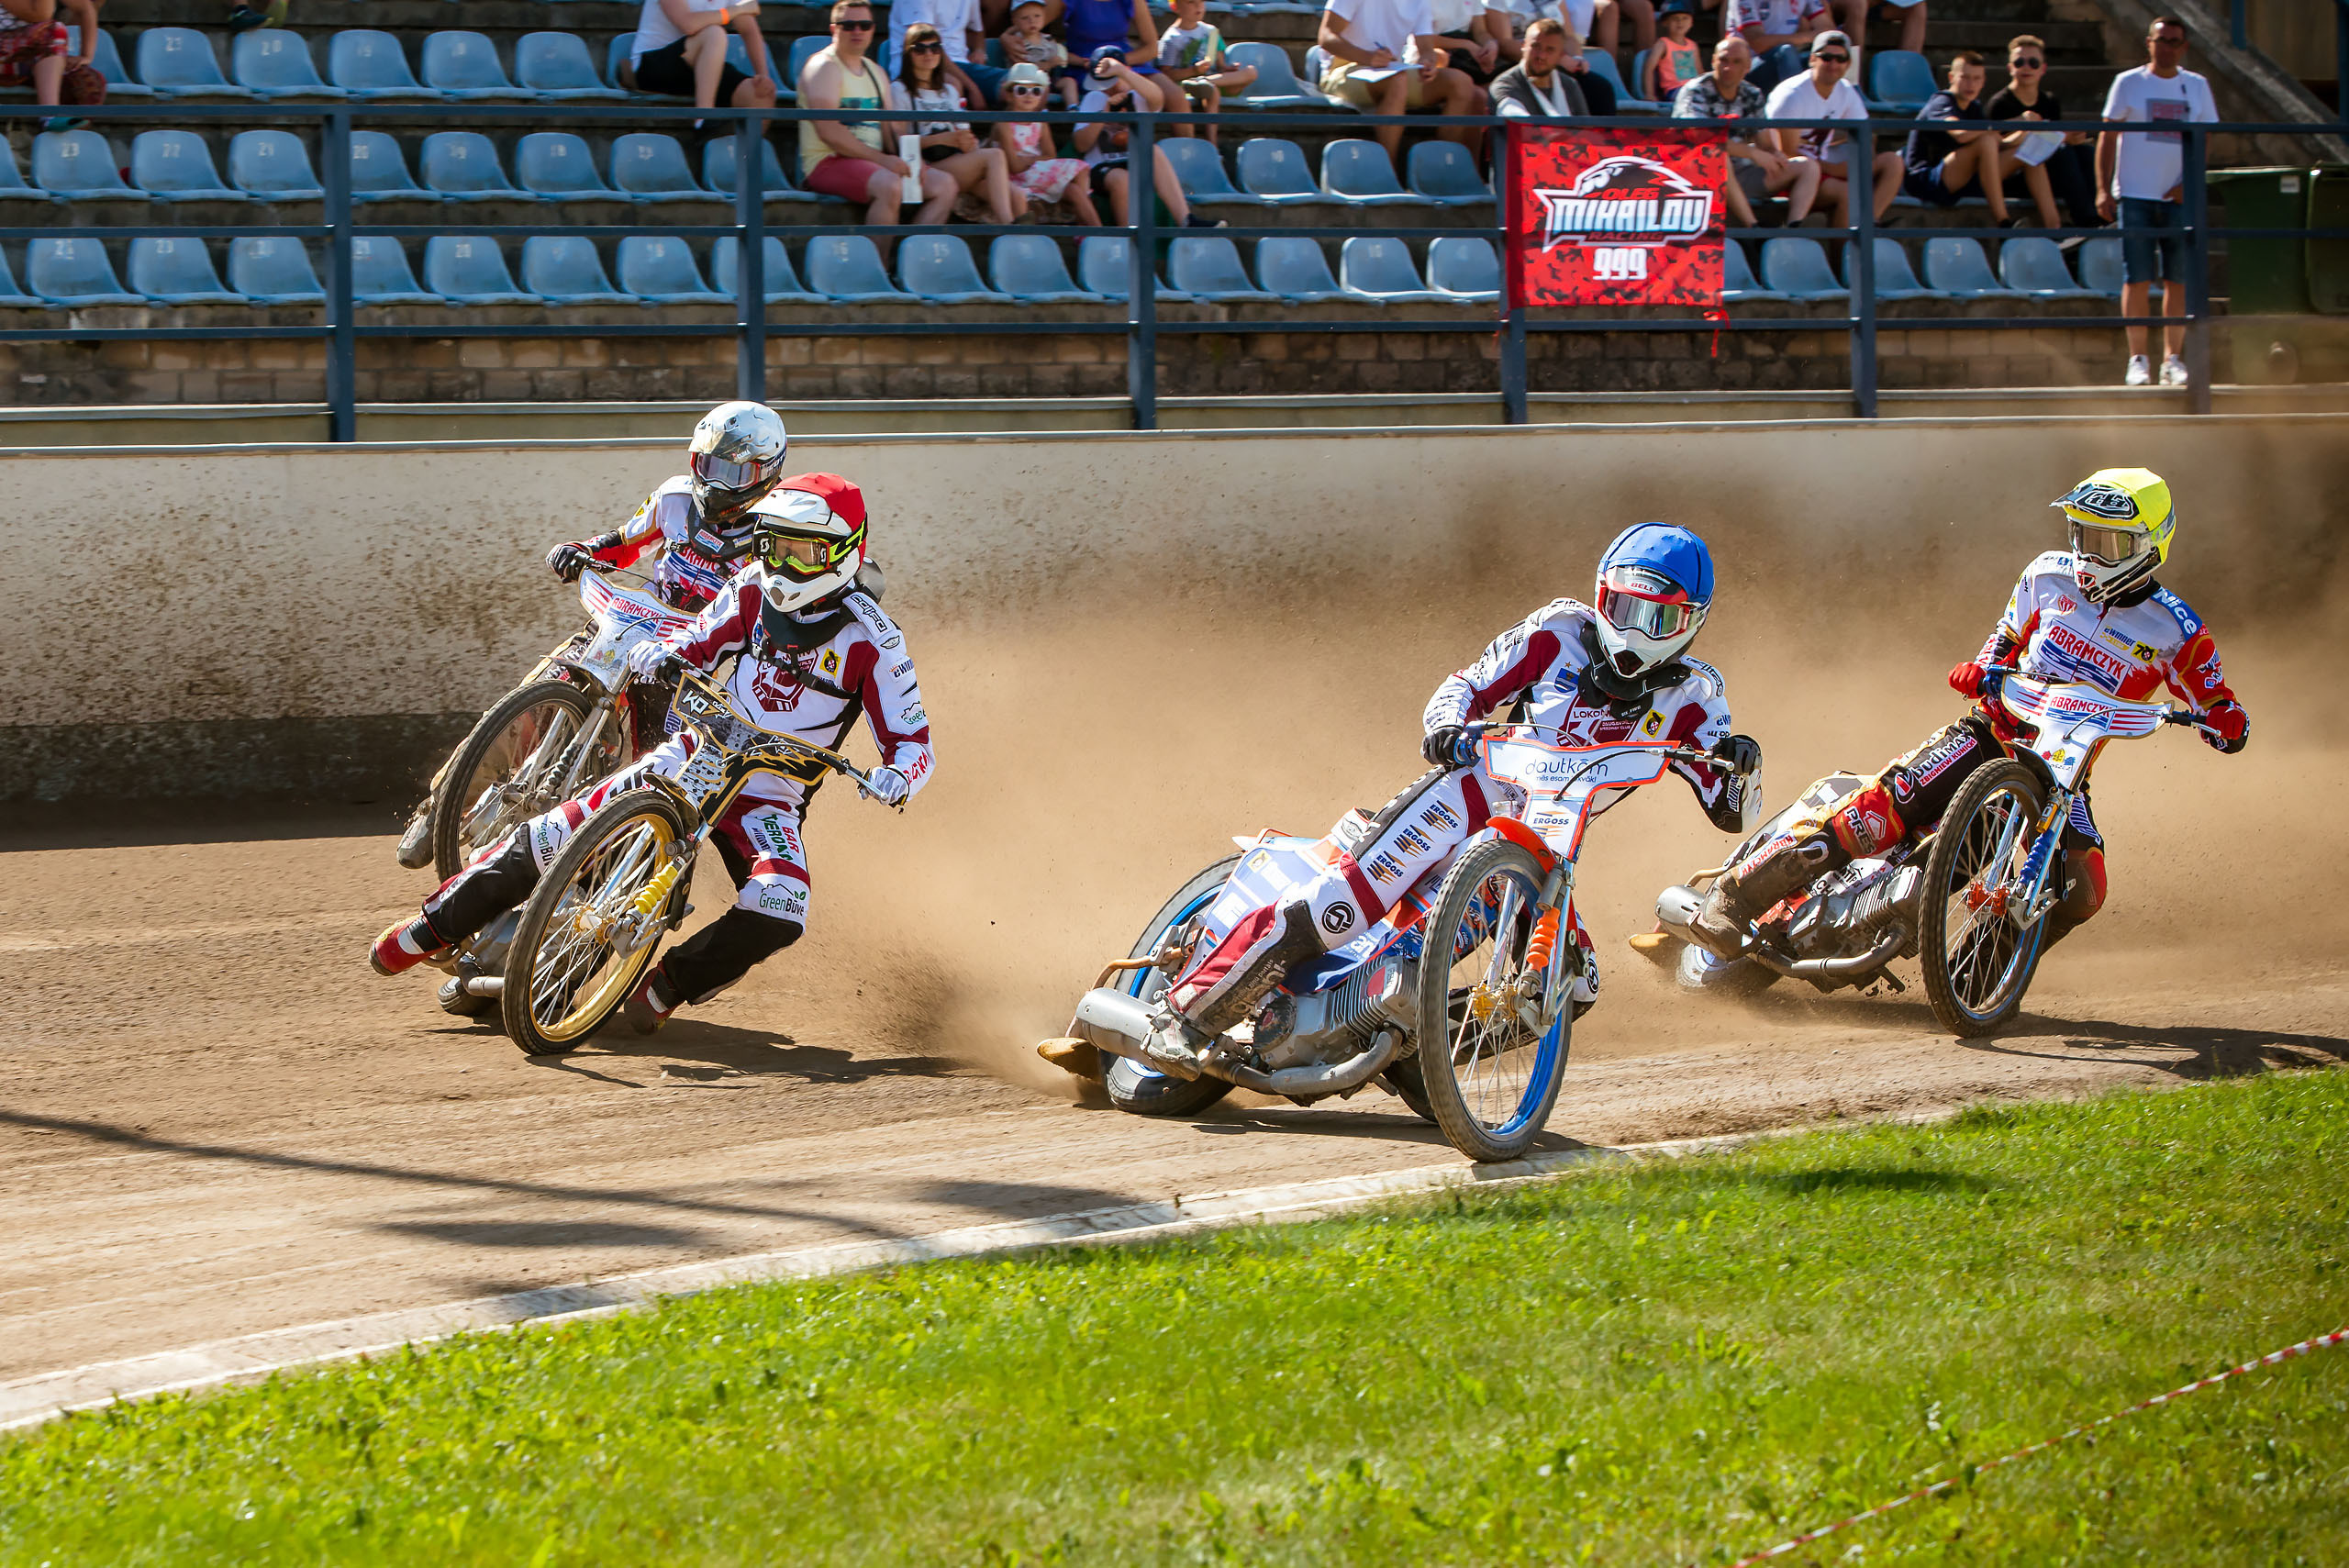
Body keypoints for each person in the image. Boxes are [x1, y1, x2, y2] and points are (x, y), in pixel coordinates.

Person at [1134, 524, 1765, 1081]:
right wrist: (1448, 725)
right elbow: (1467, 683)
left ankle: (1423, 1058)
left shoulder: (1698, 696)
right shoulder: (1558, 630)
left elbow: (1727, 806)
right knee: (1337, 908)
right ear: (1600, 596)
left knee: (1571, 986)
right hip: (1469, 793)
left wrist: (1740, 764)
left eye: (1656, 619)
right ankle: (1181, 1017)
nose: (1632, 631)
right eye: (1621, 607)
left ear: (1691, 624)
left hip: (1543, 844)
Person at [372, 474, 936, 1037]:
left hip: (770, 794)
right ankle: (431, 928)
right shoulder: (748, 590)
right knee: (557, 833)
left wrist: (896, 778)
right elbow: (695, 642)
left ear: (844, 551)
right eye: (773, 546)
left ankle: (667, 984)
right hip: (695, 753)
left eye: (801, 552)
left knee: (783, 906)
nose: (782, 566)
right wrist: (662, 652)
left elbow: (914, 747)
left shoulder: (877, 642)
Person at [1687, 468, 2246, 962]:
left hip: (2064, 773)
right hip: (1989, 733)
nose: (2087, 555)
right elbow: (2002, 641)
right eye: (2081, 535)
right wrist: (1981, 671)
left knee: (2082, 889)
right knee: (1875, 816)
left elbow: (2219, 706)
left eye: (2106, 542)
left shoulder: (2177, 630)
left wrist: (2226, 722)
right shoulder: (2047, 575)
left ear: (2149, 547)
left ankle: (1978, 970)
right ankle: (1739, 896)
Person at [543, 401, 793, 615]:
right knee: (562, 666)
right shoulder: (675, 497)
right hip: (641, 623)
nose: (715, 483)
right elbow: (626, 543)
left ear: (768, 470)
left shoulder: (783, 530)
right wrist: (581, 550)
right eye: (709, 466)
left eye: (732, 473)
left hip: (712, 656)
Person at [2098, 16, 2214, 389]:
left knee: (2177, 280)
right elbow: (2107, 136)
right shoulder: (2128, 83)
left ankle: (2172, 359)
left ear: (2184, 47)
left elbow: (2204, 140)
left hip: (2176, 197)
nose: (2165, 47)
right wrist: (2103, 188)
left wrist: (2189, 183)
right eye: (2159, 40)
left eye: (2173, 41)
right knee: (2137, 278)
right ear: (2148, 42)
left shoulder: (2197, 86)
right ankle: (2137, 359)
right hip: (2135, 194)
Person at [798, 0, 963, 233]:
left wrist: (911, 160)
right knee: (890, 185)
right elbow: (829, 132)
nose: (857, 31)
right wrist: (882, 160)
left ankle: (911, 256)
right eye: (849, 25)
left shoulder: (876, 72)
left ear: (872, 30)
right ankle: (879, 266)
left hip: (871, 162)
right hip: (827, 162)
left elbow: (892, 129)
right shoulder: (823, 66)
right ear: (834, 29)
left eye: (864, 25)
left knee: (945, 185)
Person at [1674, 34, 1821, 227]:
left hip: (1741, 173)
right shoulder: (1695, 91)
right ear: (1712, 61)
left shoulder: (1752, 94)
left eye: (1737, 62)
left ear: (1748, 67)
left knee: (1807, 166)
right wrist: (1752, 152)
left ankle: (1793, 230)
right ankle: (1753, 227)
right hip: (1693, 175)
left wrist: (1775, 154)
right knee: (1718, 155)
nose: (1728, 67)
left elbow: (1764, 142)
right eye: (1723, 60)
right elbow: (1698, 136)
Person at [1317, 0, 1486, 161]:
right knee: (1397, 80)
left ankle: (1442, 165)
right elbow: (1325, 36)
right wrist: (1367, 58)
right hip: (1340, 70)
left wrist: (1429, 62)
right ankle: (1388, 171)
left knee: (1461, 82)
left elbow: (1426, 48)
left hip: (1390, 70)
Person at [894, 21, 1025, 225]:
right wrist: (943, 139)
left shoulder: (950, 91)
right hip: (924, 164)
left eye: (935, 48)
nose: (929, 53)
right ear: (908, 54)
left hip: (956, 161)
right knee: (995, 155)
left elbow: (965, 134)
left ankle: (1018, 249)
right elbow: (899, 142)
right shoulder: (899, 90)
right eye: (920, 49)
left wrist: (967, 142)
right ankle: (1008, 226)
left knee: (1017, 196)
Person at [1074, 52, 1226, 227]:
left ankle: (1186, 220)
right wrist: (1103, 114)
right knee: (1122, 180)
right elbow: (1081, 144)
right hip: (1102, 167)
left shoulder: (1139, 95)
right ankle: (1131, 240)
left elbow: (1157, 97)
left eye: (1111, 81)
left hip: (1133, 160)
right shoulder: (1094, 98)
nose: (1107, 89)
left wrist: (1122, 72)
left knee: (1152, 150)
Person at [1766, 31, 1898, 226]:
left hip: (1823, 166)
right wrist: (1837, 170)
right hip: (1794, 174)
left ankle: (1868, 225)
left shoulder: (1845, 90)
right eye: (1826, 58)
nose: (1834, 65)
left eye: (1840, 59)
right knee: (1846, 192)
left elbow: (1866, 137)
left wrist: (1852, 164)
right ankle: (1845, 255)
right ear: (1812, 59)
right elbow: (1788, 156)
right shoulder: (1792, 95)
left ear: (1848, 64)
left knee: (1892, 162)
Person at [1984, 33, 2096, 229]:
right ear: (2010, 68)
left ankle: (2099, 216)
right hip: (2016, 175)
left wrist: (2069, 138)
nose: (2026, 67)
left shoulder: (2049, 101)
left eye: (2033, 62)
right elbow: (1994, 150)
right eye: (2019, 62)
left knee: (2085, 152)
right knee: (2063, 153)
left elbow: (2053, 139)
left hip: (2047, 170)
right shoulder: (1998, 104)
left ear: (2042, 69)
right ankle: (2085, 220)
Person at [1900, 50, 2013, 225]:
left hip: (1961, 179)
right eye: (1965, 77)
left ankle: (2054, 228)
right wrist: (2010, 123)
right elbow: (1961, 135)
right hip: (1926, 181)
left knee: (2027, 152)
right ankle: (2003, 222)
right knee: (1986, 140)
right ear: (1951, 77)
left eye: (1976, 79)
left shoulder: (1974, 107)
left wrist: (2026, 129)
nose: (1971, 84)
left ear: (1983, 82)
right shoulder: (1941, 101)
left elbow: (1999, 142)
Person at [629, 0, 779, 126]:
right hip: (653, 65)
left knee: (760, 96)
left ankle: (738, 158)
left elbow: (749, 31)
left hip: (700, 68)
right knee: (714, 33)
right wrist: (733, 11)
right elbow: (688, 24)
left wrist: (763, 76)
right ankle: (704, 117)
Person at [994, 61, 1101, 218]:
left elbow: (1051, 155)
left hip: (1037, 171)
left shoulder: (1040, 122)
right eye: (1022, 90)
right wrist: (1035, 160)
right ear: (1009, 95)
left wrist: (1029, 159)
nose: (1029, 96)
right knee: (1080, 166)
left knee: (1077, 188)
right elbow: (1014, 166)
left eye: (1036, 91)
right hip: (1017, 178)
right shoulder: (1003, 124)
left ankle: (1096, 236)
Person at [1157, 0, 1256, 137]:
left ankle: (1204, 80)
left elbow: (1221, 66)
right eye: (1190, 2)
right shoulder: (1171, 39)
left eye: (1201, 2)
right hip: (1186, 85)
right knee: (1212, 91)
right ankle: (1213, 144)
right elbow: (1165, 75)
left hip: (1211, 79)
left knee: (1251, 72)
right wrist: (1194, 71)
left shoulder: (1211, 31)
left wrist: (1228, 69)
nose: (1198, 7)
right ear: (1175, 7)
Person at [1058, 0, 1176, 112]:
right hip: (1086, 66)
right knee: (1115, 91)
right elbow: (1039, 24)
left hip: (1125, 61)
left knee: (1174, 94)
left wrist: (1118, 63)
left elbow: (1151, 49)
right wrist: (1078, 61)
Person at [888, 0, 1006, 106]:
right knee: (953, 85)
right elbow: (928, 47)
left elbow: (975, 29)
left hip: (963, 66)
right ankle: (957, 129)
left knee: (1013, 85)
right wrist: (972, 88)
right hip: (923, 64)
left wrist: (979, 50)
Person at [0, 0, 106, 109]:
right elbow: (41, 15)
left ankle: (53, 119)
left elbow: (85, 8)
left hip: (29, 61)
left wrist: (86, 56)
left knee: (87, 81)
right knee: (52, 29)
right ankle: (49, 111)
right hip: (5, 58)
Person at [1721, 0, 1826, 94]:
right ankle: (1797, 106)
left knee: (1826, 58)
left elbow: (1827, 31)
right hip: (1747, 66)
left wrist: (1809, 37)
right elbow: (1759, 43)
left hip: (1787, 60)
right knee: (1786, 53)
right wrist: (1809, 37)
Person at [1490, 17, 1586, 117]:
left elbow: (1586, 129)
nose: (1541, 56)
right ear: (1523, 45)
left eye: (1550, 50)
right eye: (1536, 46)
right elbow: (1520, 123)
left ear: (1561, 55)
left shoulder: (1569, 85)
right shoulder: (1505, 85)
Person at [998, 0, 1074, 107]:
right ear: (1015, 21)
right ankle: (1040, 113)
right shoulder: (1016, 42)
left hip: (1050, 79)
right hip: (1026, 83)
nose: (1032, 21)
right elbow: (1025, 69)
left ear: (1044, 17)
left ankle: (1073, 108)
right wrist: (1049, 64)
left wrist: (1082, 61)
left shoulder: (1048, 39)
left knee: (1069, 82)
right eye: (1025, 18)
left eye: (1037, 16)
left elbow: (1064, 57)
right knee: (1042, 84)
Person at [1642, 0, 1702, 103]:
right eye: (1675, 18)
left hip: (1693, 89)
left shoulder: (1693, 45)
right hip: (1674, 90)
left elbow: (1699, 71)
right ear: (1665, 22)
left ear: (1691, 22)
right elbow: (1649, 68)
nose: (1680, 22)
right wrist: (1650, 94)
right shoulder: (1662, 44)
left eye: (1685, 18)